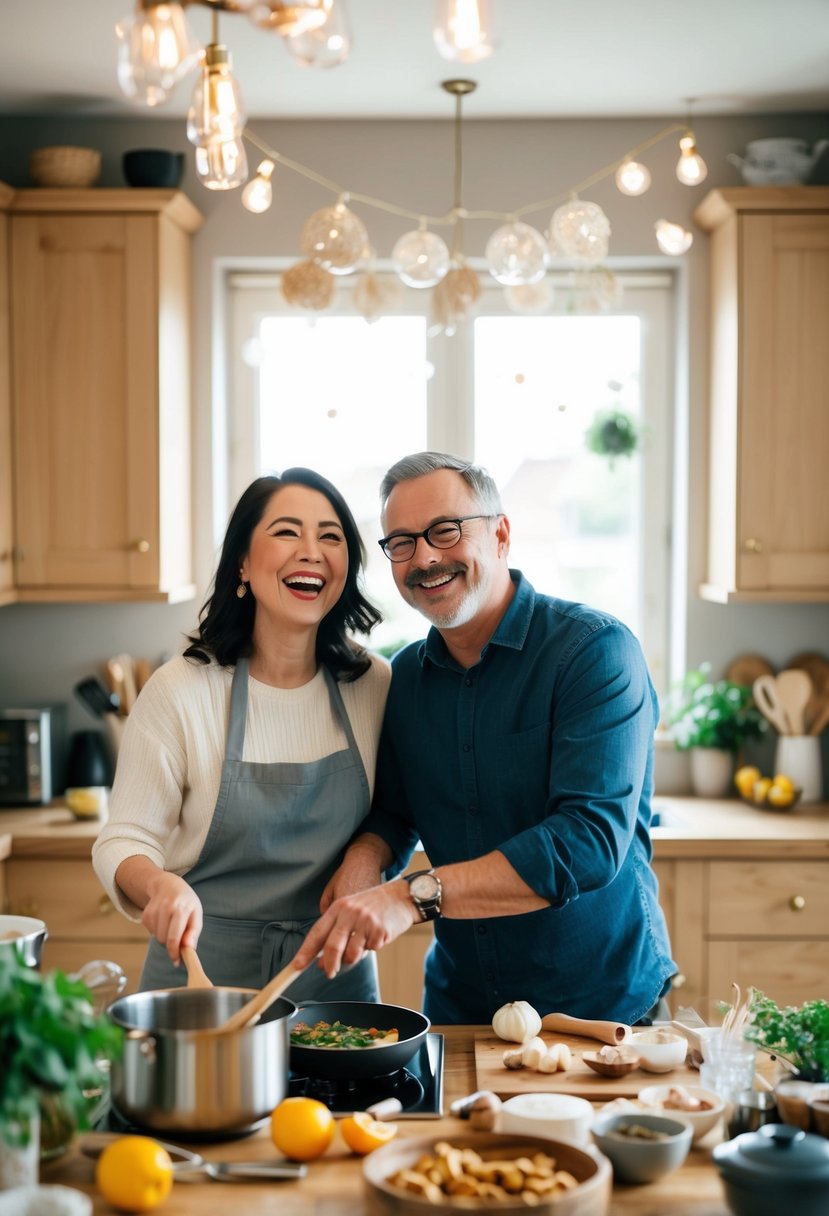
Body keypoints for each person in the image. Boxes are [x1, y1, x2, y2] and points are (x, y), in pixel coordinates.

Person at [293, 451, 676, 1024]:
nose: (424, 557)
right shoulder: (408, 679)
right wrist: (364, 861)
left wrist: (408, 896)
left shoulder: (593, 651)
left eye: (445, 531)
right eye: (401, 543)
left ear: (500, 535)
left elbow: (586, 842)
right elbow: (397, 812)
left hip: (601, 1010)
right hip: (462, 1007)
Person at [92, 469, 390, 1000]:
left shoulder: (374, 684)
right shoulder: (181, 690)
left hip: (333, 981)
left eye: (330, 536)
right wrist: (160, 885)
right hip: (200, 982)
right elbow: (124, 839)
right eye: (286, 532)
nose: (311, 551)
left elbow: (396, 815)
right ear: (243, 565)